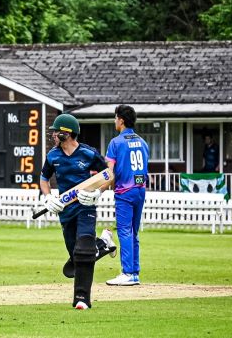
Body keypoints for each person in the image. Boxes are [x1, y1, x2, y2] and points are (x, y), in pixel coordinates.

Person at [39, 113, 115, 310]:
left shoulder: (89, 154)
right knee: (76, 256)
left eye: (56, 132)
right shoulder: (52, 155)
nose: (54, 135)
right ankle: (103, 243)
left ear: (68, 133)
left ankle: (82, 299)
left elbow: (109, 175)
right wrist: (48, 197)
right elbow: (44, 179)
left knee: (83, 251)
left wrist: (97, 193)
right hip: (65, 211)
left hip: (85, 206)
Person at [104, 105, 149, 286]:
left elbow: (110, 172)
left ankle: (127, 272)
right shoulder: (143, 142)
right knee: (133, 232)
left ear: (121, 120)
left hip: (124, 191)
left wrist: (100, 190)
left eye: (116, 118)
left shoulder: (116, 143)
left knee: (124, 231)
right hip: (140, 190)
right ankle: (135, 272)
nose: (115, 121)